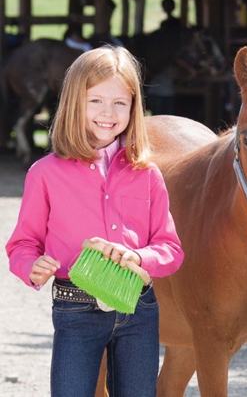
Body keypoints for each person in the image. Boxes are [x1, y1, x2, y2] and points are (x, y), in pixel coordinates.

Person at [6, 45, 185, 397]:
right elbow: (21, 244)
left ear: (134, 108)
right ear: (74, 102)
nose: (108, 112)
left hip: (139, 307)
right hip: (76, 308)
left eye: (120, 102)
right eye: (96, 101)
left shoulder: (148, 173)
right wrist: (31, 266)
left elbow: (170, 249)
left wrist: (139, 258)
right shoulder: (44, 174)